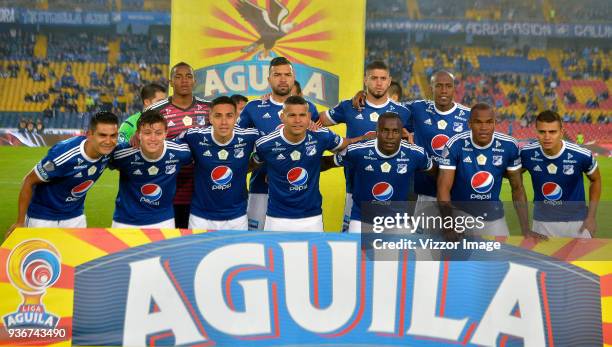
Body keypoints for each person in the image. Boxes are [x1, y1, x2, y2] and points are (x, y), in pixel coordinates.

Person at [353, 70, 470, 229]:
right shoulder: (417, 108)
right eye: (439, 86)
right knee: (425, 249)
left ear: (454, 88)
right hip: (425, 192)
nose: (443, 90)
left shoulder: (467, 115)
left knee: (460, 247)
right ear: (431, 88)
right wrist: (364, 95)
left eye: (448, 86)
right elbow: (385, 109)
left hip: (457, 195)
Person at [252, 95, 371, 232]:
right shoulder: (265, 144)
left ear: (309, 117)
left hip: (312, 219)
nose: (297, 120)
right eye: (292, 115)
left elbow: (346, 144)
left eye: (302, 115)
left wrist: (365, 138)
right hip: (277, 219)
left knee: (313, 254)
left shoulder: (321, 135)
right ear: (282, 117)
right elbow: (249, 165)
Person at [319, 61, 413, 231]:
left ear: (389, 81)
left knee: (388, 251)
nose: (379, 83)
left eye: (383, 78)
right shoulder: (349, 106)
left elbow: (414, 140)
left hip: (392, 196)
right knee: (353, 248)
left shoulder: (403, 112)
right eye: (374, 78)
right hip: (353, 190)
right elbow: (314, 122)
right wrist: (337, 144)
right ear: (365, 80)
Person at [238, 56, 319, 230]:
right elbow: (236, 143)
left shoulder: (309, 109)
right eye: (277, 75)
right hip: (261, 188)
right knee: (256, 246)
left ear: (293, 78)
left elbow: (319, 142)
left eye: (287, 75)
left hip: (298, 192)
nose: (283, 79)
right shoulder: (253, 108)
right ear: (269, 79)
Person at [6, 112, 119, 236]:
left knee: (77, 255)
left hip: (75, 217)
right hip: (42, 217)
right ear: (90, 134)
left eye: (113, 135)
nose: (108, 141)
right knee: (42, 255)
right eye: (102, 135)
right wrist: (20, 222)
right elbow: (28, 181)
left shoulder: (110, 151)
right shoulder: (64, 155)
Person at [437, 103, 539, 239]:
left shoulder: (509, 145)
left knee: (502, 258)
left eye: (489, 122)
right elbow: (443, 188)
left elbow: (517, 188)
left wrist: (526, 229)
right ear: (469, 124)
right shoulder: (455, 144)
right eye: (478, 122)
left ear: (495, 124)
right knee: (459, 258)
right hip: (461, 216)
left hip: (494, 218)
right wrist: (448, 226)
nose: (484, 128)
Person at [323, 112, 435, 233]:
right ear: (377, 133)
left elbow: (437, 173)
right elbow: (327, 163)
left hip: (397, 221)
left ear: (401, 134)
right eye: (385, 131)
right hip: (362, 220)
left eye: (395, 131)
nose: (390, 136)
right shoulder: (358, 151)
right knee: (356, 250)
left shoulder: (415, 154)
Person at [145, 62, 211, 228]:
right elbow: (143, 140)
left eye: (189, 76)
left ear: (194, 81)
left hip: (201, 191)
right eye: (178, 77)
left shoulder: (208, 108)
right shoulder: (155, 110)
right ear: (171, 82)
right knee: (167, 242)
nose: (184, 81)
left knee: (195, 244)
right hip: (166, 189)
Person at [177, 96, 260, 230]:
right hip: (200, 218)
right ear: (210, 118)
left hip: (237, 218)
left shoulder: (250, 136)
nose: (223, 122)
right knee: (196, 252)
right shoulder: (194, 136)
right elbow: (166, 147)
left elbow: (274, 146)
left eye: (229, 116)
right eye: (218, 116)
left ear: (236, 118)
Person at [521, 110, 601, 238]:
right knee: (541, 258)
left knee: (582, 258)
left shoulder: (581, 155)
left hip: (577, 222)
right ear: (536, 132)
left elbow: (596, 179)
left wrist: (591, 217)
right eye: (542, 132)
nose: (547, 137)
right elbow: (513, 175)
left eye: (552, 132)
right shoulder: (527, 153)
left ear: (561, 132)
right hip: (542, 222)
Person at [110, 110, 192, 228]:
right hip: (125, 222)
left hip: (163, 222)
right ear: (138, 134)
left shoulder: (181, 152)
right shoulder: (121, 154)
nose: (153, 138)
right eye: (147, 133)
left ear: (166, 133)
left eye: (158, 133)